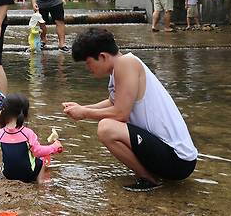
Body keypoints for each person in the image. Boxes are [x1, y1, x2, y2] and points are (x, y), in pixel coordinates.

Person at [64, 28, 197, 191]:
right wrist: (81, 108)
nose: (88, 68)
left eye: (88, 62)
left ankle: (149, 179)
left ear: (103, 56)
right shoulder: (120, 68)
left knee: (106, 128)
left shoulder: (126, 63)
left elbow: (120, 113)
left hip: (178, 159)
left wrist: (84, 113)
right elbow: (113, 102)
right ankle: (150, 175)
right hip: (172, 157)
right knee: (106, 125)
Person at [0, 93, 62, 183]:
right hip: (28, 174)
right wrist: (54, 147)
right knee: (41, 161)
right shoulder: (28, 133)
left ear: (3, 112)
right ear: (25, 114)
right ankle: (40, 182)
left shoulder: (0, 134)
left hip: (8, 174)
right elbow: (38, 152)